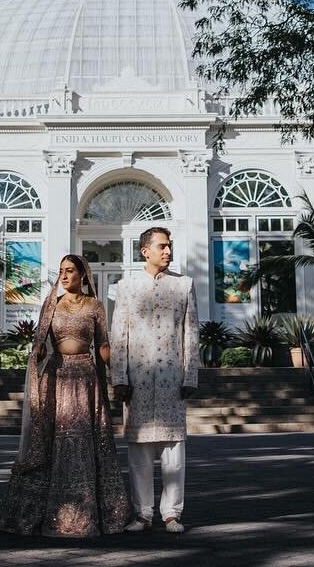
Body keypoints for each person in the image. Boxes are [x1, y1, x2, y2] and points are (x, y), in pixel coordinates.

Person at [0, 254, 131, 537]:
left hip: (86, 378)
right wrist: (38, 352)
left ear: (83, 274)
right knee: (52, 439)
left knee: (86, 439)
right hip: (56, 378)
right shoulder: (51, 306)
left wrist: (122, 374)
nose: (64, 276)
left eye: (70, 271)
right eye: (61, 271)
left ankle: (95, 513)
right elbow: (41, 343)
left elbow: (104, 345)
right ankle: (41, 513)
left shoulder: (95, 306)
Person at [109, 226, 200, 534]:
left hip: (172, 378)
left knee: (174, 450)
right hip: (137, 380)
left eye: (169, 246)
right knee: (138, 451)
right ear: (145, 251)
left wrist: (191, 376)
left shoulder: (184, 285)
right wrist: (119, 378)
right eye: (162, 246)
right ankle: (143, 514)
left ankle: (172, 514)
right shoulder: (126, 287)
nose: (168, 251)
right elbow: (118, 335)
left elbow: (191, 334)